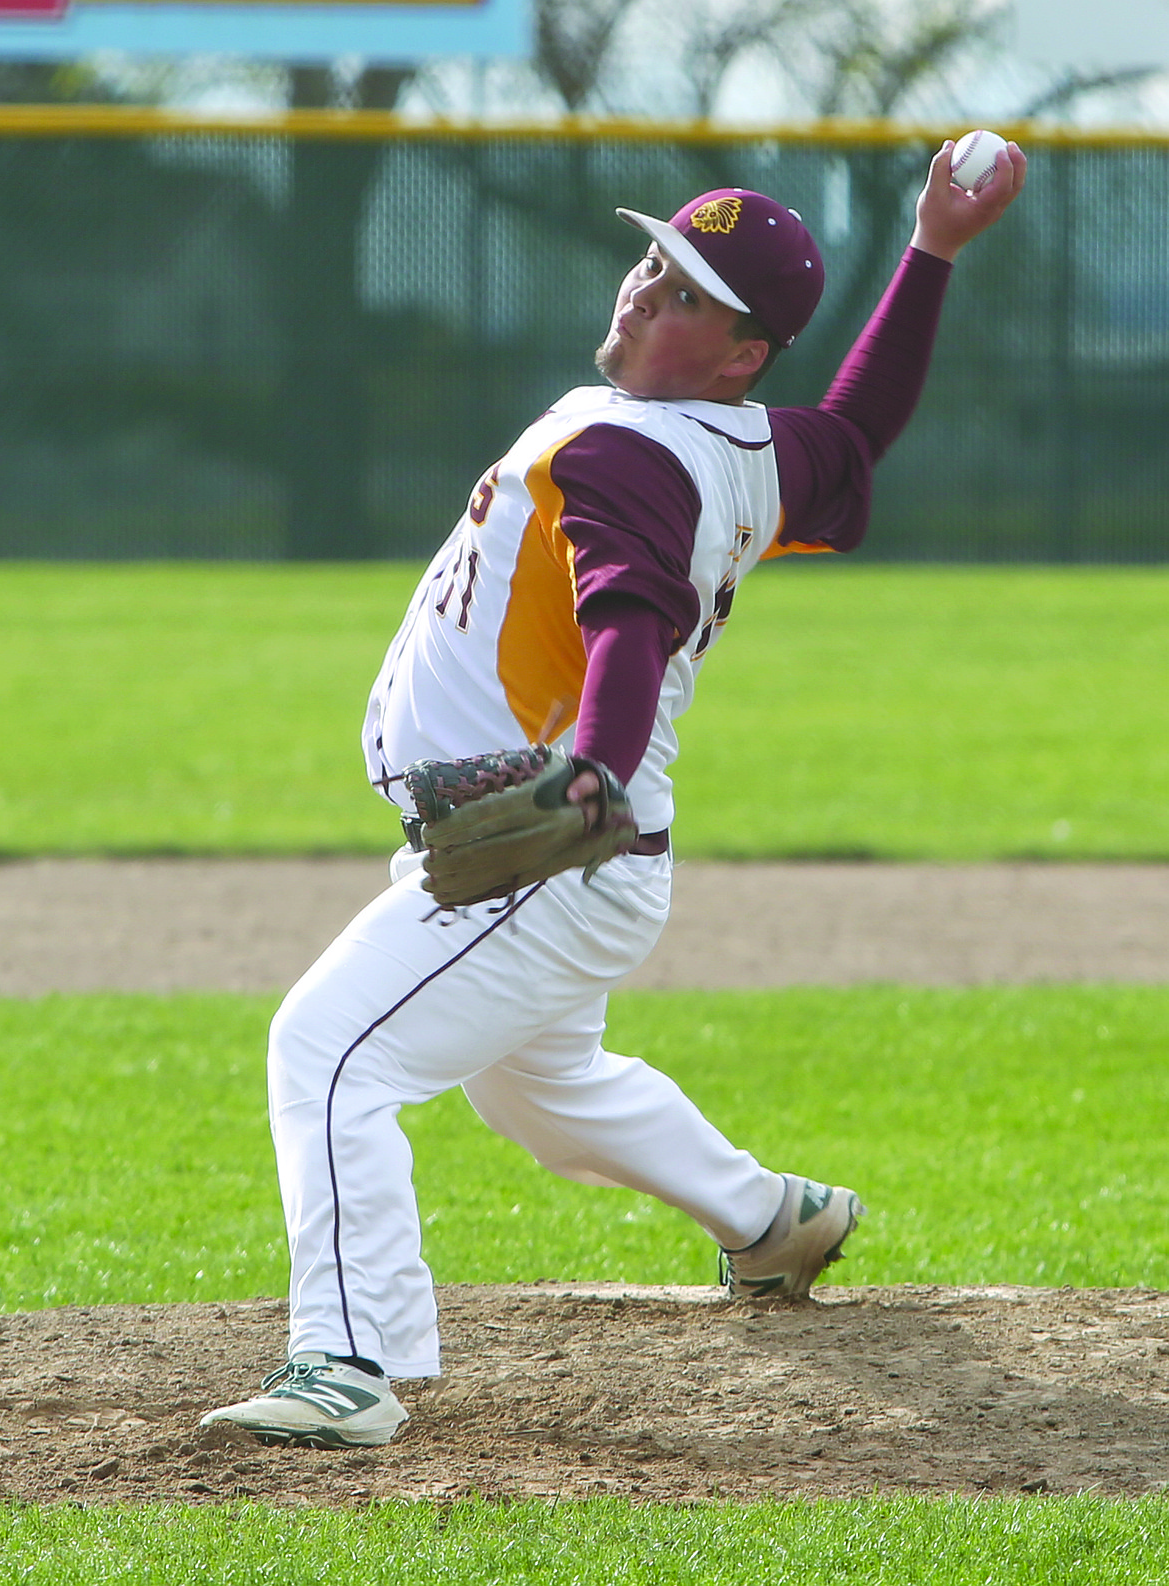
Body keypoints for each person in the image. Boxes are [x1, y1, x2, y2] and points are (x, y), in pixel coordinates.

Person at [201, 137, 1026, 1449]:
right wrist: (926, 252)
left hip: (554, 842)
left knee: (328, 1047)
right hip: (583, 847)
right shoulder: (741, 448)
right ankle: (770, 1220)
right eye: (653, 260)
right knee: (539, 1087)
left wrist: (590, 764)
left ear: (742, 352)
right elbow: (855, 431)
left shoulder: (630, 456)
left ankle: (347, 1362)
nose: (645, 289)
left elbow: (626, 625)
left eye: (686, 291)